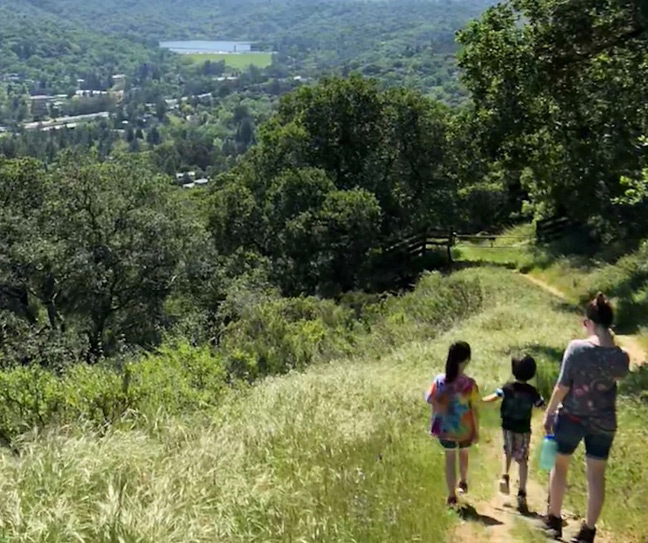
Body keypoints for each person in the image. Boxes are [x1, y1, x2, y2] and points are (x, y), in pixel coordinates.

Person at [542, 293, 630, 543]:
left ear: (588, 322)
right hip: (604, 422)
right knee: (595, 476)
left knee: (560, 467)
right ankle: (588, 531)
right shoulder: (620, 357)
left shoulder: (577, 348)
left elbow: (562, 386)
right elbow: (620, 373)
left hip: (572, 417)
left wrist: (549, 412)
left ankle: (554, 520)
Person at [483, 354, 545, 513]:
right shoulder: (532, 392)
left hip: (507, 426)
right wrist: (554, 413)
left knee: (507, 451)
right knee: (522, 459)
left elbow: (494, 397)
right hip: (523, 429)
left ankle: (504, 476)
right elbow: (542, 406)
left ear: (513, 370)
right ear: (532, 372)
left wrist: (479, 400)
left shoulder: (507, 388)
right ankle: (522, 492)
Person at [426, 341, 480, 506]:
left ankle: (451, 497)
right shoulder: (470, 384)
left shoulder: (439, 380)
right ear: (466, 360)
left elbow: (429, 398)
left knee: (449, 459)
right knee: (464, 454)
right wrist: (477, 431)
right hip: (464, 428)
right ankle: (463, 481)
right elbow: (475, 410)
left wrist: (439, 410)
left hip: (445, 428)